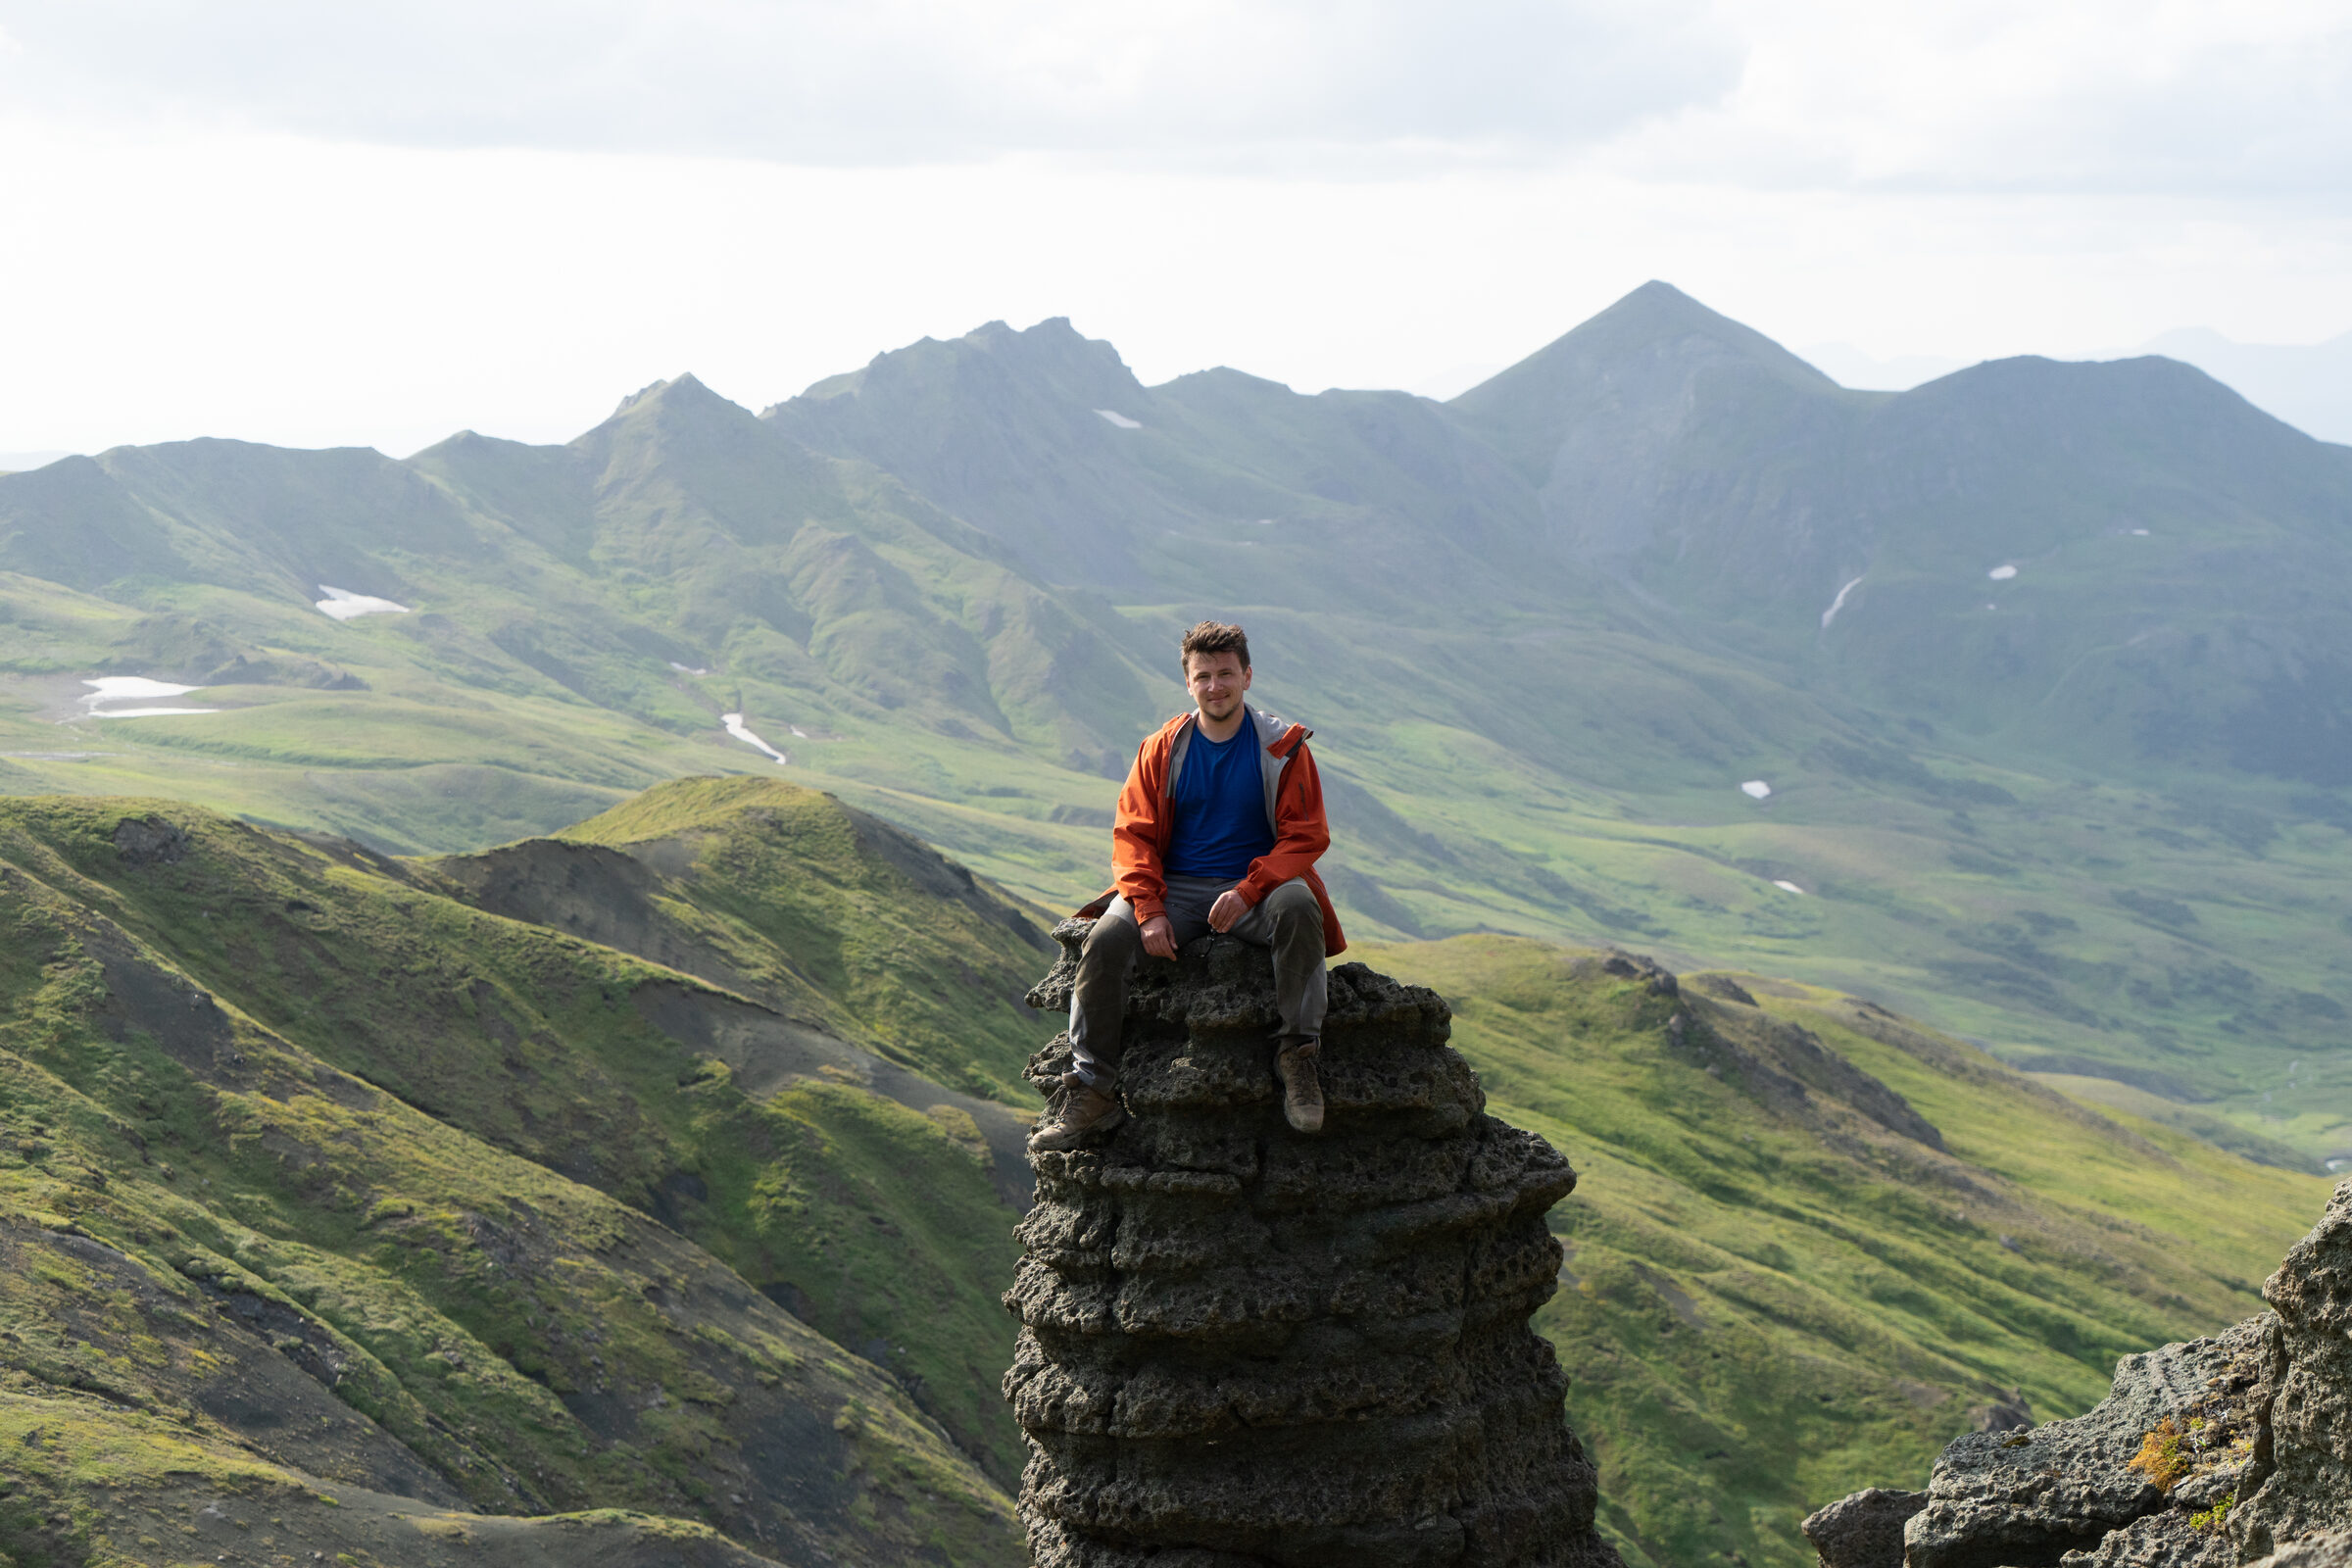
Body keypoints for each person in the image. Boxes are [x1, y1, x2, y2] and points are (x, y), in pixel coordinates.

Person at [1030, 619, 1346, 1151]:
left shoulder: (1282, 749)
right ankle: (1093, 1088)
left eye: (1226, 674)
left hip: (1254, 891)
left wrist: (1250, 889)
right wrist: (1149, 910)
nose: (1215, 686)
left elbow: (1306, 836)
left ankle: (1298, 1057)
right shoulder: (1161, 750)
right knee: (1105, 941)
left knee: (1298, 903)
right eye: (1204, 676)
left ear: (1248, 676)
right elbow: (1132, 837)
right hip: (1172, 889)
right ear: (1188, 683)